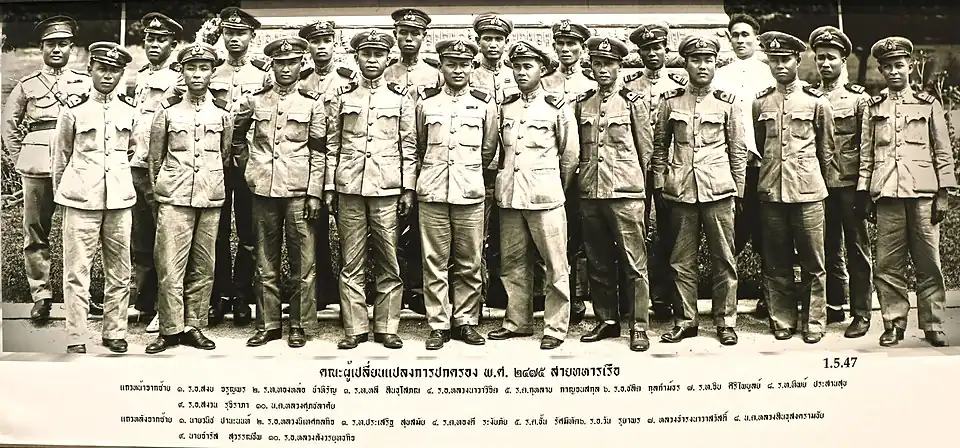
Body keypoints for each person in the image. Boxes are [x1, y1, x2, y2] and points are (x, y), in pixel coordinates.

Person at [858, 36, 957, 348]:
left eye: (899, 65)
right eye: (887, 67)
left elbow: (943, 152)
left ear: (910, 67)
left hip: (923, 195)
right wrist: (865, 193)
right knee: (888, 264)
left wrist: (944, 193)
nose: (894, 72)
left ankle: (933, 324)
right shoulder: (874, 108)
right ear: (881, 71)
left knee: (929, 263)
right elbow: (867, 154)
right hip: (887, 194)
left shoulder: (928, 105)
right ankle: (893, 323)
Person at [324, 29, 417, 350]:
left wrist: (408, 189)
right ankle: (355, 327)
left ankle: (387, 326)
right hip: (349, 187)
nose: (372, 60)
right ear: (357, 58)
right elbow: (332, 145)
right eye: (366, 54)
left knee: (388, 259)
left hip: (387, 189)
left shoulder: (400, 98)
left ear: (388, 58)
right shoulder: (343, 96)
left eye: (379, 55)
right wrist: (329, 187)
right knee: (351, 261)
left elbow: (409, 147)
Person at [653, 34, 747, 346]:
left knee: (724, 259)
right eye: (696, 60)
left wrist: (739, 191)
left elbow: (738, 151)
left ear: (716, 64)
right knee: (681, 260)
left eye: (708, 60)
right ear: (686, 64)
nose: (702, 66)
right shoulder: (670, 101)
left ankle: (725, 321)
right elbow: (659, 147)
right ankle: (686, 321)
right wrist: (661, 184)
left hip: (718, 190)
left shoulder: (728, 103)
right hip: (681, 191)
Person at [232, 37, 325, 348]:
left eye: (292, 63)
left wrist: (314, 193)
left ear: (301, 65)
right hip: (263, 189)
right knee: (264, 260)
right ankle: (268, 324)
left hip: (299, 190)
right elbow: (237, 137)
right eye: (280, 63)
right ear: (272, 65)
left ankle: (299, 324)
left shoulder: (312, 103)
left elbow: (319, 152)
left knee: (303, 262)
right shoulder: (255, 100)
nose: (286, 69)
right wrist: (249, 168)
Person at [486, 41, 578, 350]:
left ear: (543, 70)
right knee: (513, 263)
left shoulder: (557, 106)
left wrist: (554, 186)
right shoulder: (507, 106)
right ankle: (517, 322)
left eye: (528, 66)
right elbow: (500, 152)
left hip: (545, 197)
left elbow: (570, 156)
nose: (521, 72)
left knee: (555, 264)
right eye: (517, 66)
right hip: (511, 197)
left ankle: (555, 326)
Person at [145, 42, 234, 354]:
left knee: (204, 265)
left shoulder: (222, 114)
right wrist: (161, 193)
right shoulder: (167, 112)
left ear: (212, 72)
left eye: (204, 68)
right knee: (170, 265)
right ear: (181, 72)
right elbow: (155, 159)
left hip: (209, 195)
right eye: (191, 68)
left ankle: (193, 326)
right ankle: (170, 330)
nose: (197, 74)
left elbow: (224, 156)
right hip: (174, 196)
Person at [2, 15, 90, 323]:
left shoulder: (84, 83)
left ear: (71, 48)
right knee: (36, 231)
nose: (56, 50)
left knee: (80, 231)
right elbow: (9, 124)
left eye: (63, 44)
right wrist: (21, 156)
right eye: (50, 44)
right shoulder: (27, 85)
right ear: (41, 48)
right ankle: (41, 294)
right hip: (37, 167)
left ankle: (79, 294)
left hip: (76, 166)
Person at [51, 42, 136, 354]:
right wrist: (65, 195)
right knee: (77, 271)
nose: (108, 75)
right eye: (102, 69)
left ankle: (115, 331)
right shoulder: (73, 111)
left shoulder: (129, 111)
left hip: (119, 200)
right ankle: (76, 335)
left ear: (122, 73)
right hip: (81, 200)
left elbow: (132, 150)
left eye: (114, 70)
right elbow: (60, 158)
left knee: (120, 271)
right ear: (90, 70)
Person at [414, 38, 498, 349]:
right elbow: (420, 145)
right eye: (451, 64)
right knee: (434, 261)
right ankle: (438, 323)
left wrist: (470, 174)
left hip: (469, 192)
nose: (458, 70)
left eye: (464, 64)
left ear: (472, 67)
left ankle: (465, 321)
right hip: (433, 192)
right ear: (441, 67)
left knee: (469, 261)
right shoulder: (426, 102)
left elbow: (488, 149)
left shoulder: (484, 103)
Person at [753, 31, 834, 343]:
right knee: (776, 261)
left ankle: (813, 321)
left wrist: (815, 184)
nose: (780, 66)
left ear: (798, 61)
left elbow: (826, 151)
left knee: (813, 261)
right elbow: (762, 144)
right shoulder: (761, 102)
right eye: (774, 60)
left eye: (785, 59)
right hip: (772, 191)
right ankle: (783, 319)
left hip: (808, 192)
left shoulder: (816, 102)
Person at [574, 36, 652, 351]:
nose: (603, 69)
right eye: (598, 63)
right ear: (591, 67)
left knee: (634, 262)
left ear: (620, 66)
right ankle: (606, 320)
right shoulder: (583, 103)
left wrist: (640, 190)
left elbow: (646, 152)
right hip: (591, 193)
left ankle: (639, 325)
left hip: (625, 193)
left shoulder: (633, 102)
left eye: (609, 63)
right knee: (598, 261)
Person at [808, 26, 874, 338]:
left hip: (849, 184)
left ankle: (861, 313)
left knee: (857, 249)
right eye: (820, 57)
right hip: (818, 185)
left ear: (843, 60)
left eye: (831, 58)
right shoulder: (808, 97)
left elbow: (867, 146)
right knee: (825, 248)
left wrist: (864, 188)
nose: (825, 63)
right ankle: (834, 304)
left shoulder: (858, 99)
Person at [208, 6, 270, 327]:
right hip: (214, 161)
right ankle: (219, 294)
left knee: (249, 231)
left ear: (252, 36)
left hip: (249, 161)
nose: (234, 38)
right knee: (216, 230)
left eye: (241, 33)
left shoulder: (263, 74)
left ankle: (243, 294)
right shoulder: (210, 72)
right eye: (229, 32)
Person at [625, 22, 688, 320]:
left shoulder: (678, 85)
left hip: (669, 168)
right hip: (635, 169)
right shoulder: (629, 85)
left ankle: (665, 298)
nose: (652, 54)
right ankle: (632, 299)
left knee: (669, 234)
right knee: (633, 233)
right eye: (646, 49)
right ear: (639, 53)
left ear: (666, 50)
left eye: (657, 48)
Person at [714, 13, 776, 317]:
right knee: (732, 234)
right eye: (735, 35)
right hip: (730, 167)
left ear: (757, 39)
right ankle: (727, 301)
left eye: (745, 35)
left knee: (768, 234)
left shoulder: (770, 74)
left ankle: (770, 297)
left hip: (765, 166)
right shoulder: (719, 76)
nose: (740, 40)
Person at [385, 8, 443, 316]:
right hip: (389, 163)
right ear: (395, 36)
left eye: (415, 34)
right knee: (390, 233)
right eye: (404, 33)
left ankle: (420, 292)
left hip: (428, 162)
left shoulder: (435, 74)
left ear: (424, 37)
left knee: (424, 232)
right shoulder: (384, 72)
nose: (409, 38)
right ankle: (394, 294)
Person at [297, 19, 357, 314]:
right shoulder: (301, 81)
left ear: (335, 44)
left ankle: (351, 297)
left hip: (344, 160)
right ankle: (320, 291)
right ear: (308, 46)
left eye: (326, 41)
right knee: (313, 228)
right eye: (315, 41)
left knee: (349, 232)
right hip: (310, 161)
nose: (321, 47)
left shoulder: (349, 79)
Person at [130, 12, 184, 333]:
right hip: (136, 163)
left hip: (160, 168)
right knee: (141, 238)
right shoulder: (140, 76)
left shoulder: (178, 78)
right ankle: (144, 301)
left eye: (161, 39)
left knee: (165, 240)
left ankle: (166, 308)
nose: (154, 44)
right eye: (150, 38)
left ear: (173, 45)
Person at [541, 18, 594, 325]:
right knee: (553, 236)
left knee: (580, 236)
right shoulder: (544, 82)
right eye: (560, 44)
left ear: (582, 48)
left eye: (571, 44)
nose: (565, 49)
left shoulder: (590, 84)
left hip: (584, 170)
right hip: (550, 171)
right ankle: (551, 295)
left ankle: (578, 296)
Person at [469, 12, 517, 310]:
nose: (493, 44)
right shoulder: (469, 75)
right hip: (480, 168)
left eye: (499, 39)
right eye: (487, 38)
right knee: (477, 234)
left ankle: (505, 295)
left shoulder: (516, 74)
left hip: (512, 167)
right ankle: (478, 296)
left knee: (509, 233)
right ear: (478, 41)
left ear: (506, 42)